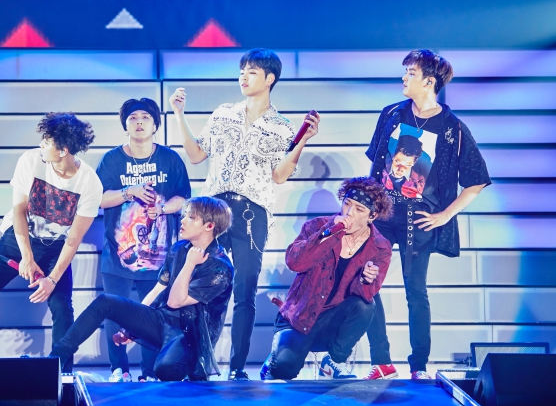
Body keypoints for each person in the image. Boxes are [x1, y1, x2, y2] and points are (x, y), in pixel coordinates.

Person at [169, 48, 319, 380]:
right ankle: (197, 363)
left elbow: (279, 175)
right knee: (202, 283)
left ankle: (237, 367)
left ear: (270, 78)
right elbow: (196, 155)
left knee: (245, 290)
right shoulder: (223, 113)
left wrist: (302, 141)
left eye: (251, 72)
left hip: (253, 213)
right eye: (241, 72)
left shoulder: (282, 127)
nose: (243, 77)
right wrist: (179, 114)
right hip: (213, 209)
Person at [364, 50, 491, 380]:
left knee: (415, 292)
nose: (404, 77)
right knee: (367, 283)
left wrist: (445, 215)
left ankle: (418, 365)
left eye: (410, 72)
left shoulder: (452, 128)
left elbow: (477, 180)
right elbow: (375, 164)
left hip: (417, 221)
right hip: (381, 216)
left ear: (429, 81)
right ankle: (382, 361)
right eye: (405, 71)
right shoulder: (392, 114)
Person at [0, 112, 102, 373]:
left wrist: (52, 279)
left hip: (56, 247)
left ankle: (62, 377)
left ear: (63, 150)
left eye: (47, 142)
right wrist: (27, 258)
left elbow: (73, 239)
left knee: (63, 309)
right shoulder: (30, 160)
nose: (41, 145)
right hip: (17, 239)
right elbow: (19, 211)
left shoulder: (90, 183)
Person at [49, 197, 234, 381]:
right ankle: (55, 360)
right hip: (162, 320)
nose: (183, 220)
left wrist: (189, 264)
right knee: (105, 301)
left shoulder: (220, 267)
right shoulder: (179, 248)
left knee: (165, 369)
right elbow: (158, 289)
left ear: (209, 226)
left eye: (191, 217)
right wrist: (130, 329)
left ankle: (190, 376)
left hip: (189, 336)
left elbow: (175, 301)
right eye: (184, 215)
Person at [96, 98, 191, 382]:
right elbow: (99, 199)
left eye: (145, 117)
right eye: (133, 117)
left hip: (159, 257)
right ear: (125, 125)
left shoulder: (170, 159)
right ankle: (119, 370)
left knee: (153, 316)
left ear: (155, 125)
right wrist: (130, 191)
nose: (139, 122)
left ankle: (149, 373)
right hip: (118, 256)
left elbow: (183, 199)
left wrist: (161, 208)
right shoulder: (112, 160)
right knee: (114, 313)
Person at [260, 177, 393, 380]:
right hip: (299, 318)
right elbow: (295, 262)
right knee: (282, 371)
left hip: (332, 322)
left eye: (359, 209)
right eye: (347, 204)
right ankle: (274, 360)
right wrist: (329, 234)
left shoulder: (380, 246)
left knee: (366, 305)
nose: (349, 213)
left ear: (372, 216)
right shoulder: (318, 226)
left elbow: (364, 296)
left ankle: (333, 363)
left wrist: (366, 281)